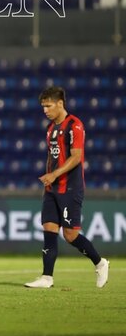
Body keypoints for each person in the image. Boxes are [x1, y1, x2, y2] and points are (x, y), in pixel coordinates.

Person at [25, 86, 109, 289]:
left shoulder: (75, 125)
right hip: (52, 188)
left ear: (60, 103)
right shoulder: (50, 128)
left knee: (70, 235)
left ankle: (100, 263)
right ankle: (46, 277)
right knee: (49, 228)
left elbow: (76, 156)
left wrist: (54, 174)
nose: (45, 110)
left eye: (48, 105)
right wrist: (48, 177)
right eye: (43, 106)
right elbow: (51, 156)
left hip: (70, 188)